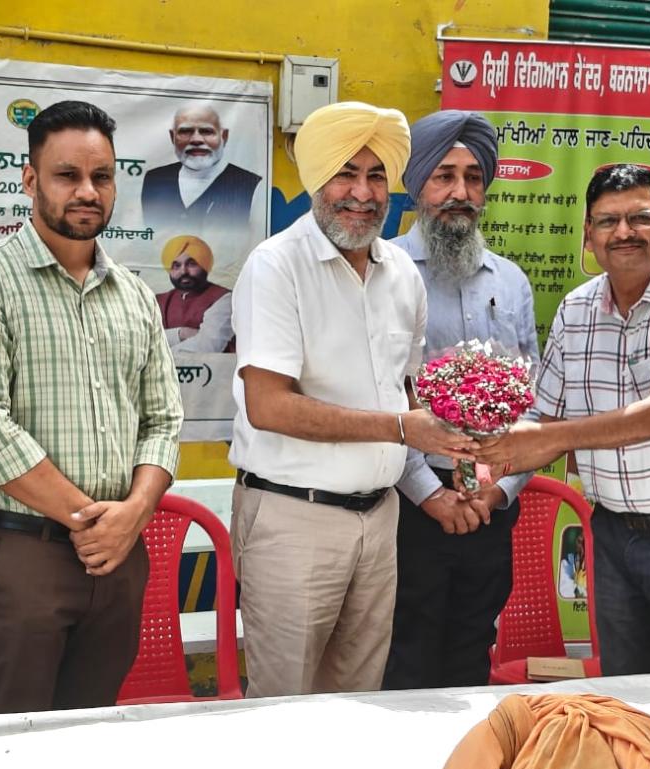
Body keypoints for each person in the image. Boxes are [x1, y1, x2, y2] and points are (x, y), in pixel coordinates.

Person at [0, 101, 183, 714]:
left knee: (91, 738)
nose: (87, 192)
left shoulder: (135, 296)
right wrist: (92, 522)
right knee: (7, 744)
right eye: (67, 175)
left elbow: (163, 420)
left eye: (101, 177)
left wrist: (134, 514)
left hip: (119, 559)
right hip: (23, 557)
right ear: (30, 180)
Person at [229, 101, 477, 698]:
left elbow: (407, 388)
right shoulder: (276, 266)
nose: (362, 194)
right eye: (346, 173)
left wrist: (463, 441)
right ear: (317, 179)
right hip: (294, 518)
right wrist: (402, 428)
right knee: (284, 707)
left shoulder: (403, 274)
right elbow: (269, 406)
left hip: (381, 518)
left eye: (376, 176)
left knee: (359, 700)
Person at [475, 164, 650, 675]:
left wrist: (537, 438)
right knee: (627, 697)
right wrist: (485, 473)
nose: (624, 232)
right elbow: (544, 419)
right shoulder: (575, 311)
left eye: (640, 218)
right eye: (607, 221)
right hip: (612, 536)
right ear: (588, 234)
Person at [382, 110, 537, 690]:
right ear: (417, 184)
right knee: (408, 659)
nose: (460, 193)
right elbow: (380, 397)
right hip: (409, 507)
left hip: (491, 506)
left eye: (473, 178)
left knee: (473, 655)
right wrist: (431, 494)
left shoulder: (510, 280)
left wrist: (499, 491)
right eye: (444, 176)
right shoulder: (384, 271)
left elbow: (532, 399)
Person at [141, 103, 262, 237]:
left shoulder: (251, 185)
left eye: (206, 131)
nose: (196, 140)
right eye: (185, 131)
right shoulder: (155, 180)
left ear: (224, 136)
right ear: (172, 136)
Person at [156, 234, 233, 352]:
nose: (183, 271)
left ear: (205, 266)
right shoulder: (159, 301)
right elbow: (142, 339)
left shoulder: (223, 298)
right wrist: (181, 333)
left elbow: (208, 347)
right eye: (176, 266)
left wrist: (160, 352)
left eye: (191, 264)